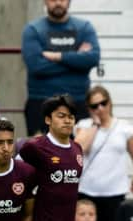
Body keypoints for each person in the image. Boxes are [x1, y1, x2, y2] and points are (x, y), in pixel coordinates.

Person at [74, 85, 133, 221]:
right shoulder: (83, 125)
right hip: (87, 191)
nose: (100, 108)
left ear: (110, 103)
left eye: (103, 103)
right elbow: (80, 149)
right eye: (95, 106)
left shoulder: (125, 128)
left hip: (115, 192)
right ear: (89, 108)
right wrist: (95, 125)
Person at [21, 0, 100, 135]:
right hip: (41, 101)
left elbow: (92, 58)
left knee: (77, 153)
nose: (58, 3)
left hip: (78, 101)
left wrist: (58, 56)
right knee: (41, 154)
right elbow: (36, 66)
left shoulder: (84, 28)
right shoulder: (32, 29)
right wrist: (76, 59)